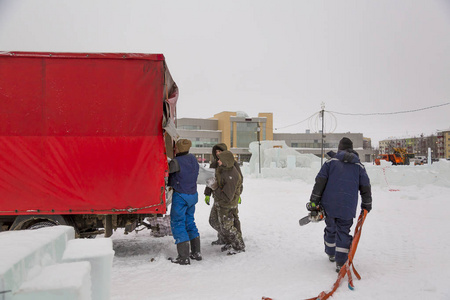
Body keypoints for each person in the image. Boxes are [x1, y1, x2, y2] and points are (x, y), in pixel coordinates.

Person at [307, 137, 372, 272]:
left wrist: (314, 202)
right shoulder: (359, 166)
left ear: (339, 148)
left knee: (331, 228)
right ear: (352, 148)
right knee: (343, 231)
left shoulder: (330, 163)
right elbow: (365, 187)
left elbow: (320, 183)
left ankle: (331, 253)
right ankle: (340, 263)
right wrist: (367, 204)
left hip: (329, 205)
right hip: (348, 206)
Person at [168, 139, 201, 265]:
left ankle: (183, 257)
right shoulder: (193, 159)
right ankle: (196, 252)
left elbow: (167, 173)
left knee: (178, 223)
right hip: (192, 195)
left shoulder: (176, 162)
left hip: (181, 196)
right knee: (190, 222)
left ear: (177, 148)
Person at [204, 143, 243, 245]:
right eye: (216, 152)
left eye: (220, 152)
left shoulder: (232, 165)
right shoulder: (214, 164)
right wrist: (207, 193)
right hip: (219, 196)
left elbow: (239, 180)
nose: (217, 154)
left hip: (229, 196)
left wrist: (239, 194)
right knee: (218, 220)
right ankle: (224, 238)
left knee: (232, 220)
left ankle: (236, 241)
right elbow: (210, 179)